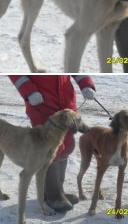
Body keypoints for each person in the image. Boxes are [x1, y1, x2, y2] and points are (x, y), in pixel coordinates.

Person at [9, 75, 96, 212]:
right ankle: (53, 195)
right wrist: (29, 91)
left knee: (67, 146)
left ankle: (57, 190)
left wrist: (86, 84)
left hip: (66, 101)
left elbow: (72, 64)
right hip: (41, 102)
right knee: (50, 150)